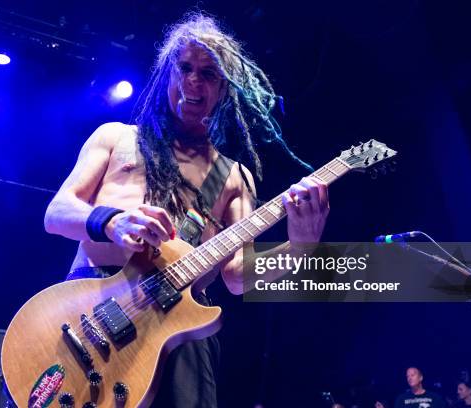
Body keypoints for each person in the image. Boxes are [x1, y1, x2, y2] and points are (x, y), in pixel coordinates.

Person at [44, 13, 330, 408]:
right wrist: (111, 221)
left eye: (209, 74)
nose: (195, 81)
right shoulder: (115, 137)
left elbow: (235, 278)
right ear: (167, 73)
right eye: (186, 68)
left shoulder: (233, 177)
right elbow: (56, 213)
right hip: (88, 311)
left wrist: (300, 247)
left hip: (179, 328)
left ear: (223, 89)